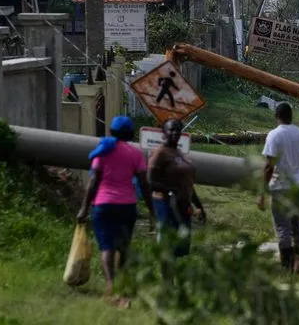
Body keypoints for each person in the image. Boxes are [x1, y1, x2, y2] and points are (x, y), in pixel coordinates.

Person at [77, 116, 155, 300]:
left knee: (107, 247)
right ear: (130, 134)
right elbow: (144, 184)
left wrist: (84, 208)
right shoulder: (136, 154)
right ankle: (120, 285)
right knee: (123, 247)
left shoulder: (103, 150)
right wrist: (152, 209)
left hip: (103, 205)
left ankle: (111, 286)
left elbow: (94, 181)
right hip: (127, 206)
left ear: (111, 131)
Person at [257, 102, 299, 273]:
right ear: (291, 116)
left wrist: (261, 192)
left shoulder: (274, 135)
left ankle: (287, 267)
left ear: (276, 116)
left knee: (283, 228)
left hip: (280, 188)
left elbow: (269, 166)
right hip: (298, 187)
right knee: (297, 227)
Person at [148, 118, 205, 259]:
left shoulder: (178, 153)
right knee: (168, 245)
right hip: (166, 204)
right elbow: (150, 182)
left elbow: (187, 184)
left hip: (183, 205)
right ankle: (166, 273)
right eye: (171, 129)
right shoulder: (160, 153)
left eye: (178, 130)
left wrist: (198, 205)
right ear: (164, 133)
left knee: (182, 246)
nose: (175, 133)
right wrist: (172, 190)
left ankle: (176, 271)